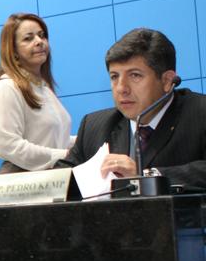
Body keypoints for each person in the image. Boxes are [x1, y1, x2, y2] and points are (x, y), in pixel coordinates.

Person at [57, 28, 206, 189]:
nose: (121, 88)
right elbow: (58, 181)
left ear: (167, 81)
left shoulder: (200, 113)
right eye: (114, 76)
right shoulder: (94, 126)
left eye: (135, 75)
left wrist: (146, 175)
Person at [0, 13, 72, 172]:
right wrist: (64, 155)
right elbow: (7, 145)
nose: (39, 41)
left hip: (53, 176)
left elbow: (54, 140)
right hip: (23, 180)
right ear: (13, 51)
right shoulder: (6, 87)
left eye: (42, 35)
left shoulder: (43, 87)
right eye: (28, 38)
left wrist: (83, 144)